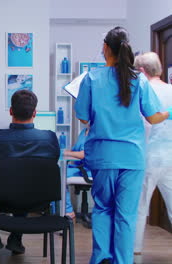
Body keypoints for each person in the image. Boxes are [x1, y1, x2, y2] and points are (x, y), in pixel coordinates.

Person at [74, 27, 170, 264]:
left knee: (103, 209)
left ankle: (100, 258)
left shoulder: (92, 78)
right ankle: (123, 261)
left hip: (104, 156)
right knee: (126, 215)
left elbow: (84, 118)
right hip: (132, 157)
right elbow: (153, 117)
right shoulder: (138, 80)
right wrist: (168, 112)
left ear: (105, 48)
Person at [0, 90, 60, 255]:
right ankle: (16, 238)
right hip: (38, 199)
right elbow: (50, 169)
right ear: (35, 113)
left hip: (0, 198)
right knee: (27, 184)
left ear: (11, 111)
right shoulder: (49, 139)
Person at [133, 52, 172, 255]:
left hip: (147, 156)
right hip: (171, 155)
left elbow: (141, 124)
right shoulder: (171, 90)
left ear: (141, 71)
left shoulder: (143, 90)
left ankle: (135, 249)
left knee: (140, 205)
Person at [63, 126, 91, 220]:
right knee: (56, 171)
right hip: (78, 168)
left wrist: (65, 153)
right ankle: (59, 210)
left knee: (60, 176)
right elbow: (75, 151)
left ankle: (68, 211)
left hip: (88, 170)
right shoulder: (84, 131)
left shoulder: (97, 130)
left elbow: (83, 154)